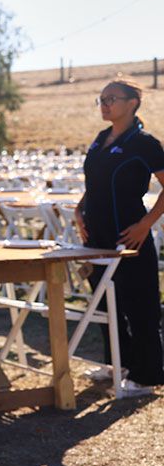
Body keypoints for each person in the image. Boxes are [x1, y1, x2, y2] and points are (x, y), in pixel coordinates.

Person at [75, 79, 164, 397]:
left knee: (140, 307)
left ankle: (147, 376)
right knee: (105, 304)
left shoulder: (145, 143)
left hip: (129, 238)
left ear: (132, 103)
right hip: (96, 238)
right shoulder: (101, 138)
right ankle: (118, 364)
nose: (104, 104)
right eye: (101, 99)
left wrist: (145, 225)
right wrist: (79, 209)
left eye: (111, 99)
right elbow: (95, 182)